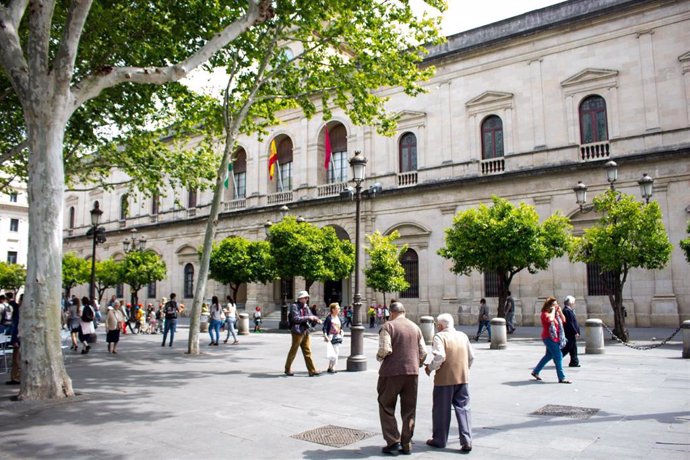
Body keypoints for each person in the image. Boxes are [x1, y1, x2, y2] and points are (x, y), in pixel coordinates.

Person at [376, 301, 427, 455]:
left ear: (391, 313)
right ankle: (407, 444)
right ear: (404, 312)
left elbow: (385, 349)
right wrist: (416, 362)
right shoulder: (415, 327)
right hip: (412, 373)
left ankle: (393, 442)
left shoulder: (388, 326)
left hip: (391, 372)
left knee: (386, 405)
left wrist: (379, 357)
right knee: (409, 409)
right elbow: (423, 352)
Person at [424, 313, 474, 453]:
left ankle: (439, 440)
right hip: (463, 378)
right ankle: (466, 440)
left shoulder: (440, 336)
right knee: (464, 409)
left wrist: (430, 367)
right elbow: (471, 357)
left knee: (441, 410)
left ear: (440, 325)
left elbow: (440, 356)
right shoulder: (463, 336)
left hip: (444, 380)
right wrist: (464, 369)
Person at [531, 296, 570, 384]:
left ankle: (535, 371)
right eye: (555, 305)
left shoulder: (555, 314)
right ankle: (561, 377)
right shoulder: (545, 314)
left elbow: (564, 320)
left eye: (557, 305)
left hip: (555, 338)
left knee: (548, 356)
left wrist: (560, 312)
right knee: (558, 355)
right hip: (548, 338)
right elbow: (550, 319)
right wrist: (553, 311)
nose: (557, 306)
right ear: (550, 306)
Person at [284, 291, 322, 377]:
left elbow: (311, 315)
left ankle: (311, 370)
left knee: (307, 351)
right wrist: (308, 317)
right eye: (305, 297)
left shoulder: (306, 307)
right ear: (300, 298)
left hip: (305, 330)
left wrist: (316, 319)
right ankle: (287, 369)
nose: (307, 299)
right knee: (293, 351)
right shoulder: (294, 306)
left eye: (307, 297)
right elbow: (296, 318)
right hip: (297, 331)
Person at [322, 302, 343, 374]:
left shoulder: (338, 318)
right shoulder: (329, 318)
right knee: (335, 352)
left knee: (334, 352)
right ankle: (332, 367)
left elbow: (341, 327)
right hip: (330, 337)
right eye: (338, 308)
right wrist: (325, 335)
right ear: (333, 309)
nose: (339, 309)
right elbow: (324, 327)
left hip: (337, 337)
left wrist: (341, 332)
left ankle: (330, 367)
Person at [561, 295, 581, 367]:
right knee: (568, 347)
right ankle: (558, 357)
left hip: (571, 333)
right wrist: (575, 332)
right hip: (569, 333)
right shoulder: (567, 311)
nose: (574, 304)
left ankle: (574, 362)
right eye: (574, 302)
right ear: (571, 303)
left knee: (573, 348)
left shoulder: (569, 311)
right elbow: (570, 323)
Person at [5, 293, 21, 385]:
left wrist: (14, 339)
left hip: (19, 339)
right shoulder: (18, 309)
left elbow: (16, 326)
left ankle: (16, 377)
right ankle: (15, 377)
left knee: (17, 359)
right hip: (18, 338)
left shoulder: (19, 311)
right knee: (16, 359)